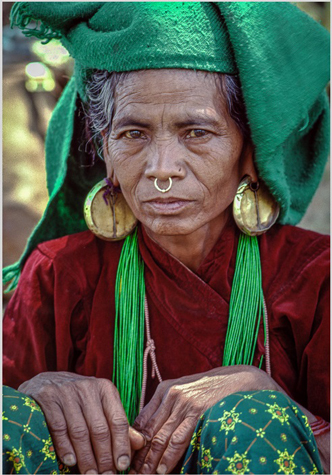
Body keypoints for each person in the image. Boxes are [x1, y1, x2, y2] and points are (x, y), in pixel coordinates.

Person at [3, 2, 330, 474]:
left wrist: (271, 400)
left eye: (196, 132)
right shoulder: (60, 272)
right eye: (132, 133)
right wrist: (36, 394)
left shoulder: (316, 276)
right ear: (105, 152)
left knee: (252, 418)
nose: (161, 169)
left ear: (249, 149)